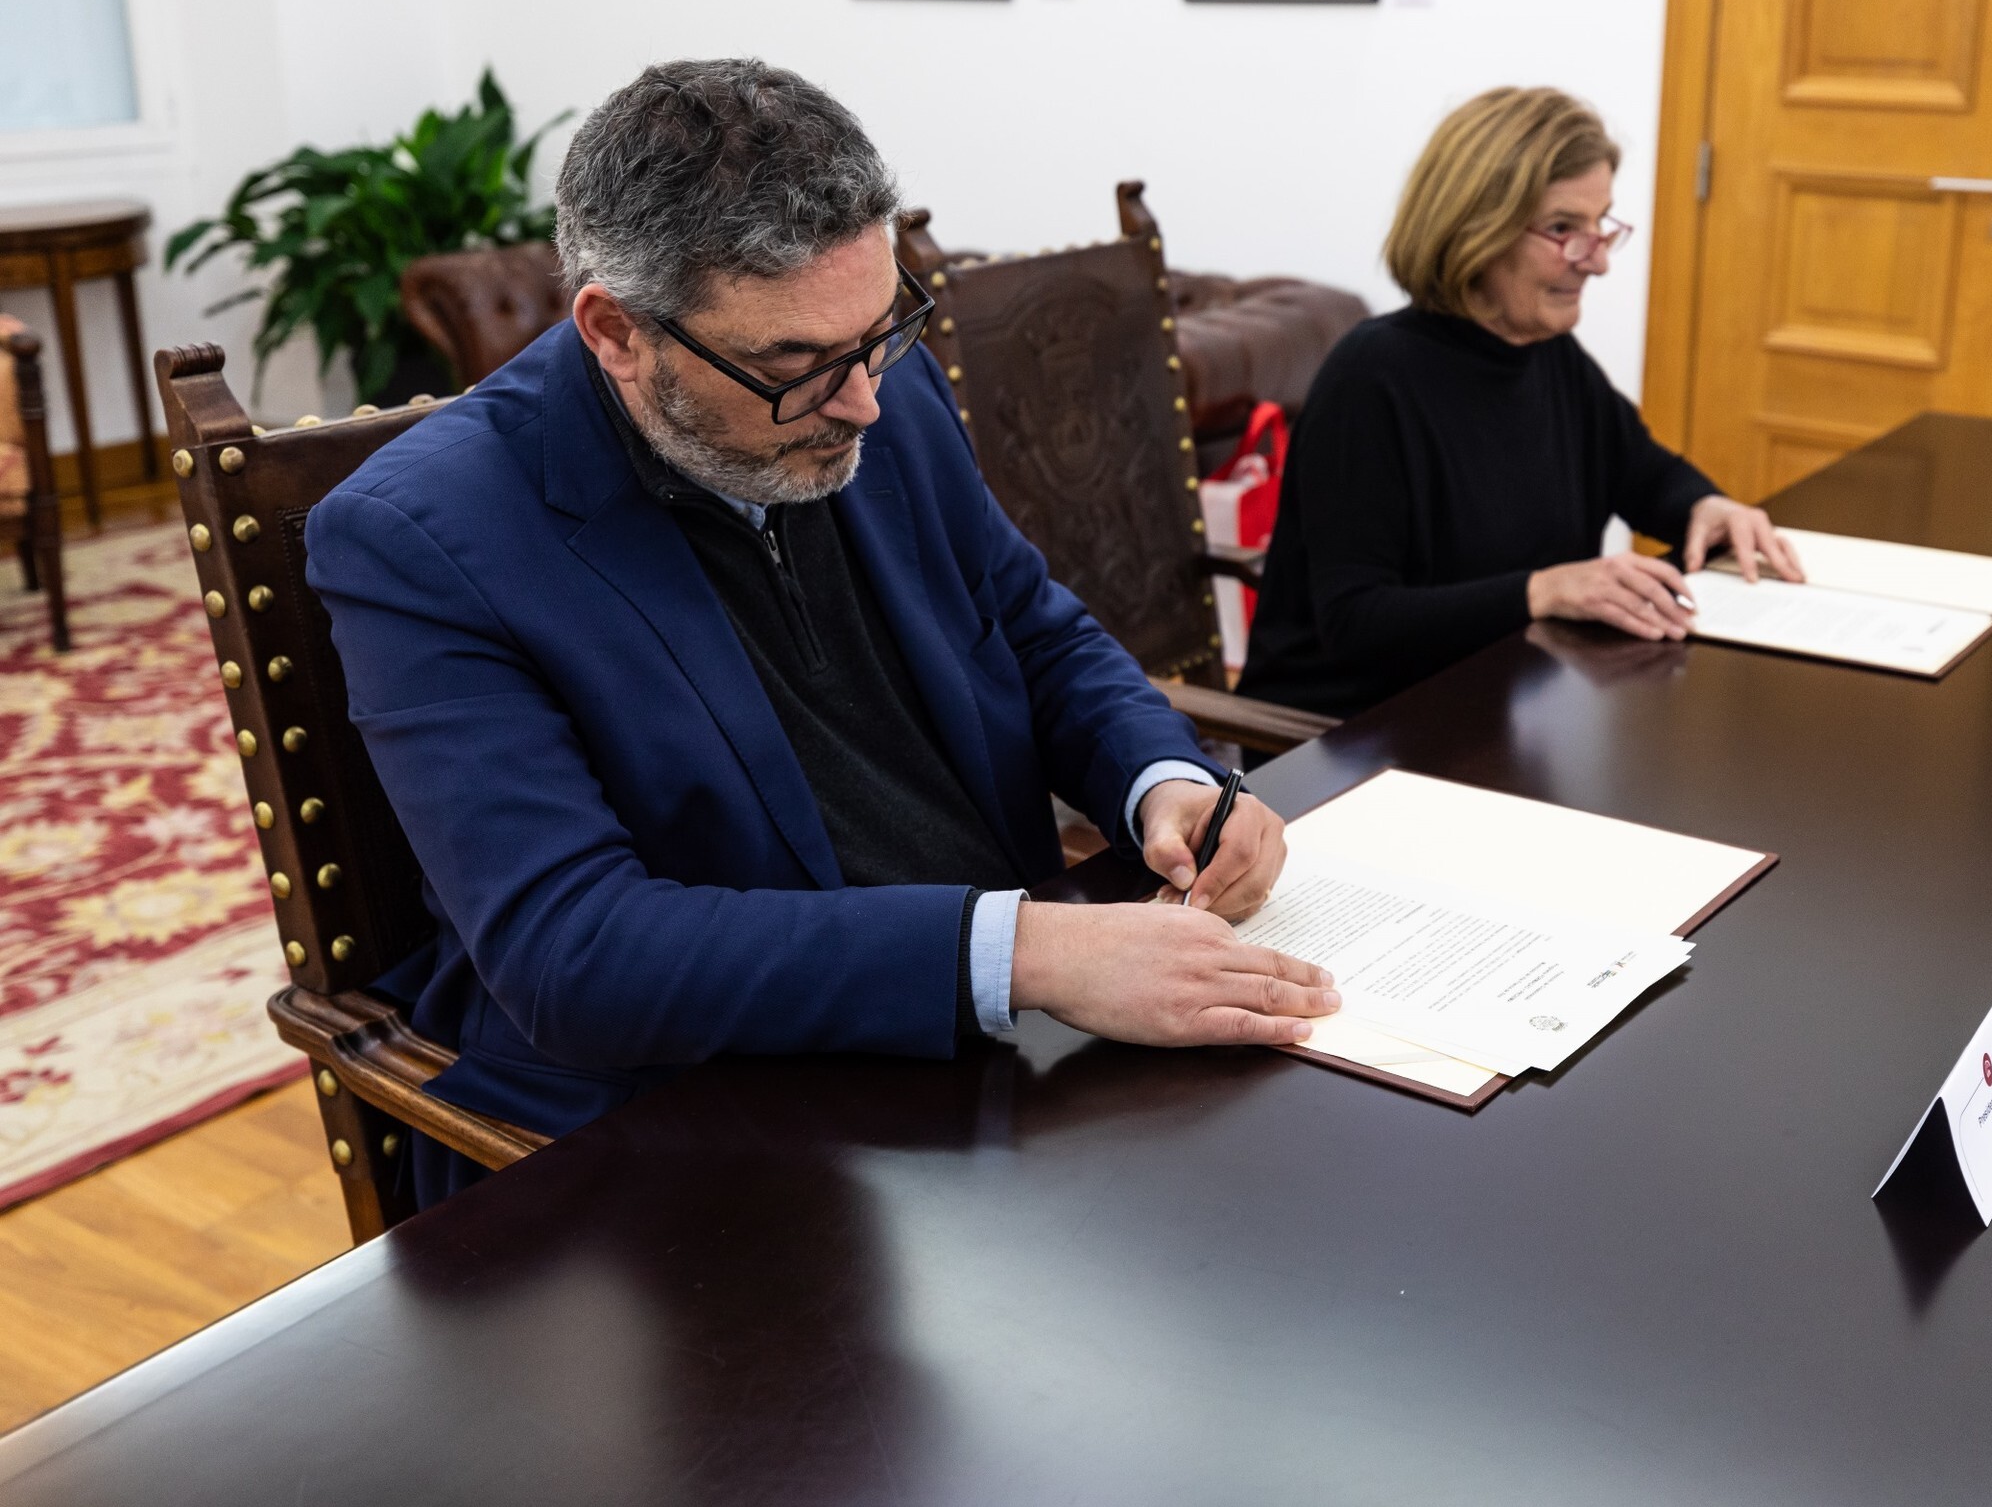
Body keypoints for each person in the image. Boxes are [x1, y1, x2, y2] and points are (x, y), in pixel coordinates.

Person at [307, 60, 1336, 1206]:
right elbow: (572, 949)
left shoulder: (875, 381)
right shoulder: (423, 538)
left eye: (881, 332)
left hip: (992, 1043)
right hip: (697, 1127)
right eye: (794, 368)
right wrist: (1026, 952)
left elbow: (1030, 624)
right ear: (616, 332)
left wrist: (1162, 781)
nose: (864, 403)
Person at [1238, 87, 1803, 719]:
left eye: (1601, 224)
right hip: (1348, 735)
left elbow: (1645, 474)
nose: (1596, 262)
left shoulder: (1547, 353)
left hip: (1501, 708)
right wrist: (1544, 591)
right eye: (1563, 229)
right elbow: (1357, 622)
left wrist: (1708, 507)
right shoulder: (1371, 378)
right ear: (1474, 229)